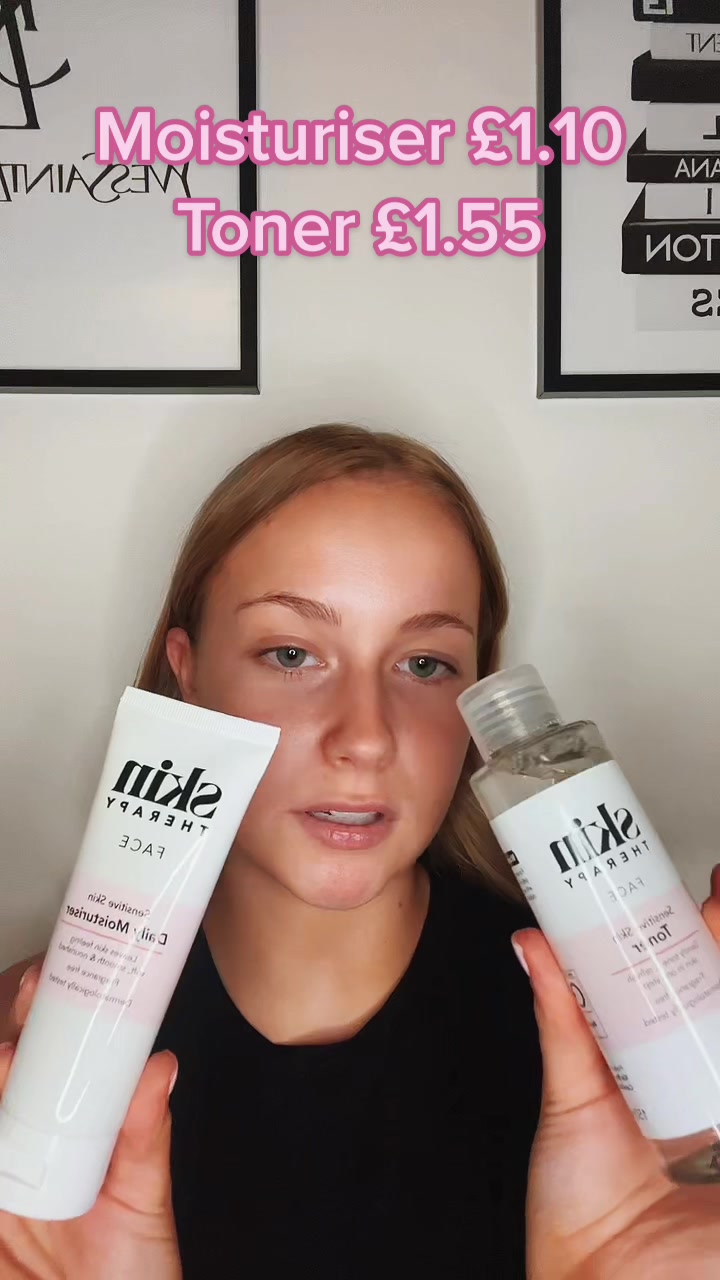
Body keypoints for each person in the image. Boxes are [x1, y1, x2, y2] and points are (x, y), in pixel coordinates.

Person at [0, 423, 719, 1280]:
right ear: (186, 671)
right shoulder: (30, 1060)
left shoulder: (644, 1058)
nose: (367, 738)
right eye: (291, 654)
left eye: (425, 664)